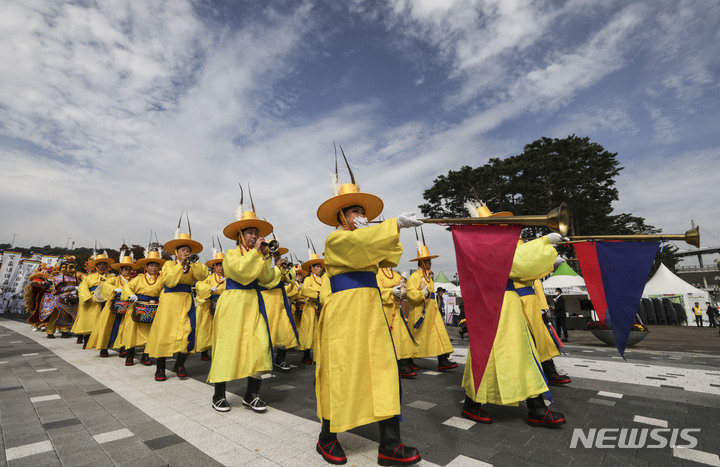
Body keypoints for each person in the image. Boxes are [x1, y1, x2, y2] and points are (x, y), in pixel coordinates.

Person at [314, 173, 422, 466]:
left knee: (384, 369)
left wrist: (393, 230)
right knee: (342, 370)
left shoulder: (368, 241)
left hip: (372, 311)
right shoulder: (335, 239)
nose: (361, 216)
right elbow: (359, 246)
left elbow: (389, 256)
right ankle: (327, 437)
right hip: (345, 312)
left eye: (363, 211)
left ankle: (390, 444)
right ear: (341, 216)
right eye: (354, 211)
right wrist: (392, 225)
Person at [460, 202, 566, 428]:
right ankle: (472, 403)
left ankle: (536, 406)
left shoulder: (494, 244)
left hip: (508, 304)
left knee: (522, 352)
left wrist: (546, 249)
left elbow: (524, 268)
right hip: (493, 306)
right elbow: (516, 264)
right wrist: (545, 242)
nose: (505, 227)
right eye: (499, 223)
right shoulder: (482, 245)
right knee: (487, 355)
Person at [207, 206, 275, 413]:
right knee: (228, 346)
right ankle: (219, 394)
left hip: (253, 301)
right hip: (234, 302)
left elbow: (267, 279)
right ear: (240, 235)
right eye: (250, 233)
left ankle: (252, 394)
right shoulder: (230, 254)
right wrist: (256, 253)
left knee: (259, 345)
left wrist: (265, 257)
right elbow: (241, 273)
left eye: (256, 233)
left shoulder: (259, 255)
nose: (254, 236)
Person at [146, 230, 208, 381]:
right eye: (183, 250)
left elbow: (203, 276)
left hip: (186, 300)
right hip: (170, 302)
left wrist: (195, 262)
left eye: (188, 251)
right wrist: (180, 265)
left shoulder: (193, 265)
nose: (186, 253)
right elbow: (169, 281)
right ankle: (160, 368)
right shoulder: (168, 264)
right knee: (164, 333)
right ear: (176, 252)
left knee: (187, 332)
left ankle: (180, 364)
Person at [407, 243, 457, 371]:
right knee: (416, 337)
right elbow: (411, 295)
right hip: (421, 313)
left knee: (440, 334)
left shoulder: (428, 276)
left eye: (429, 260)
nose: (430, 262)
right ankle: (408, 360)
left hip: (433, 312)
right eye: (427, 260)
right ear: (421, 262)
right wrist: (421, 294)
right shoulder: (415, 276)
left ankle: (443, 360)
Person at [119, 249, 166, 366]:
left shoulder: (162, 280)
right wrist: (131, 295)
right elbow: (127, 287)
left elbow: (164, 292)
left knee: (151, 333)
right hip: (138, 307)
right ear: (146, 267)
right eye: (151, 266)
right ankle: (129, 355)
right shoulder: (139, 278)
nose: (154, 268)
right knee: (132, 331)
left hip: (154, 308)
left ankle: (147, 355)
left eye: (156, 266)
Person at [87, 253, 138, 357]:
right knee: (107, 327)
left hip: (127, 307)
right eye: (125, 269)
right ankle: (103, 348)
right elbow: (105, 285)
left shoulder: (133, 280)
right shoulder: (114, 279)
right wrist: (114, 289)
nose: (127, 271)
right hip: (113, 307)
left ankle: (122, 347)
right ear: (121, 270)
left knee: (125, 327)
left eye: (129, 269)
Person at [260, 247, 299, 372]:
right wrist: (276, 266)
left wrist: (287, 268)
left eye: (277, 254)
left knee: (285, 330)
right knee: (268, 331)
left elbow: (291, 279)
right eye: (273, 254)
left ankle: (280, 359)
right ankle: (264, 360)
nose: (276, 256)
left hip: (281, 302)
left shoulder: (278, 266)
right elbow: (269, 282)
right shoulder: (263, 264)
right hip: (267, 301)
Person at [377, 267, 417, 378]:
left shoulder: (395, 274)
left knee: (402, 337)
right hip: (383, 311)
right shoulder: (377, 273)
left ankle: (404, 364)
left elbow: (405, 290)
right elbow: (376, 291)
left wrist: (403, 286)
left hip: (396, 310)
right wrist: (391, 291)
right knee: (386, 339)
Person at [72, 253, 115, 348]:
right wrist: (86, 297)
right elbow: (82, 288)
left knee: (104, 321)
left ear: (107, 265)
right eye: (99, 264)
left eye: (104, 264)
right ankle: (86, 341)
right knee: (89, 321)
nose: (102, 266)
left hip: (107, 300)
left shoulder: (112, 277)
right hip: (92, 300)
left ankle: (102, 341)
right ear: (96, 266)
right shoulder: (89, 277)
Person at [195, 249, 226, 362]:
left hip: (224, 304)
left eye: (223, 265)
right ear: (214, 267)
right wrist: (209, 289)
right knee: (207, 329)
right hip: (210, 305)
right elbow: (199, 285)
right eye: (219, 265)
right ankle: (205, 351)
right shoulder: (209, 277)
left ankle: (220, 351)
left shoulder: (229, 278)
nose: (221, 268)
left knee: (222, 329)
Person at [298, 251, 324, 365]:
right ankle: (306, 355)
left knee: (319, 332)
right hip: (311, 308)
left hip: (321, 307)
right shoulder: (308, 279)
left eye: (320, 266)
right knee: (309, 332)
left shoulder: (323, 279)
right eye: (317, 266)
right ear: (312, 268)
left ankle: (319, 355)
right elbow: (305, 290)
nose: (319, 269)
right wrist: (318, 293)